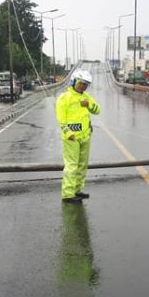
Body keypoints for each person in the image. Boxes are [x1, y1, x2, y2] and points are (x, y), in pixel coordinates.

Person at [55, 69, 101, 204]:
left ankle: (77, 190)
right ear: (74, 81)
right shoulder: (64, 98)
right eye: (81, 83)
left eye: (86, 84)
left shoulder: (86, 97)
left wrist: (90, 105)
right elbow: (61, 119)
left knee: (82, 165)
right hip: (71, 138)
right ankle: (68, 194)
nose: (83, 86)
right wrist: (68, 132)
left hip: (86, 136)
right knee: (72, 166)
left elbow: (97, 110)